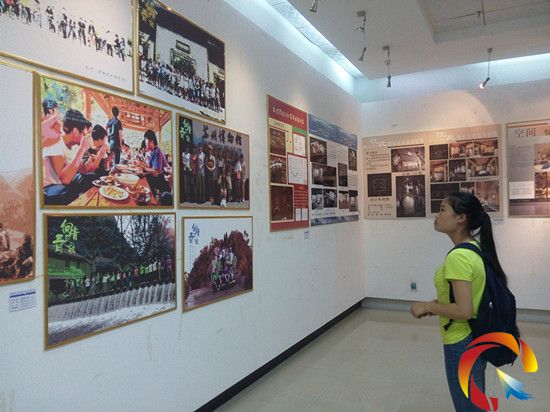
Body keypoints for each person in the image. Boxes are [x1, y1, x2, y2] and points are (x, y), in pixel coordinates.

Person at [410, 192, 508, 412]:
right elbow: (467, 297)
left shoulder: (458, 256)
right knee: (474, 401)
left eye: (442, 209)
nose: (437, 215)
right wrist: (438, 305)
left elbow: (464, 310)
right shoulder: (474, 248)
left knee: (468, 407)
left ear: (461, 218)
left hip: (461, 342)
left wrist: (428, 306)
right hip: (475, 336)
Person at [42, 109, 94, 205]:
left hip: (63, 183)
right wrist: (82, 149)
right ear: (75, 131)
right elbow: (63, 180)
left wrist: (92, 157)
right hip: (47, 188)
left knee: (91, 177)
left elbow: (83, 171)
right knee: (66, 193)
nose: (84, 136)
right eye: (83, 133)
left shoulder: (75, 145)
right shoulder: (55, 142)